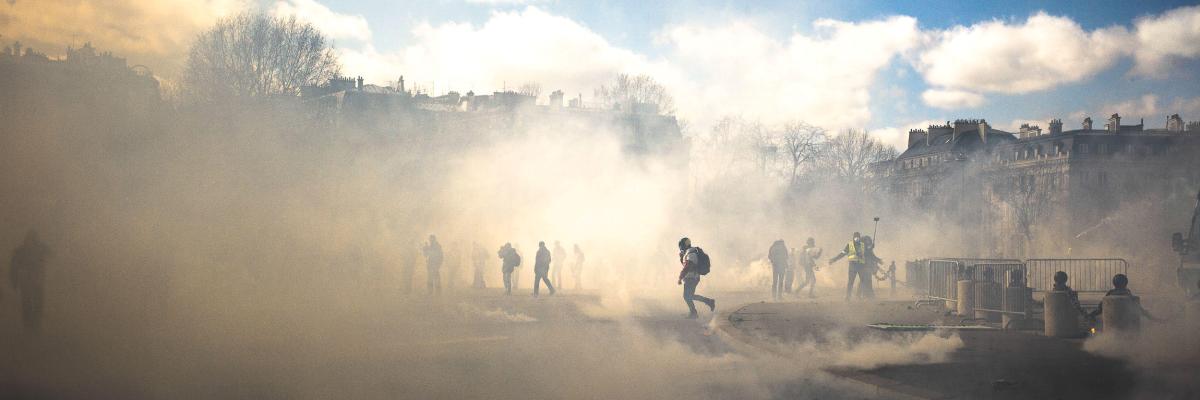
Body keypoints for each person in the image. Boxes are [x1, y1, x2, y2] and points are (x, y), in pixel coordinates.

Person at [10, 229, 50, 329]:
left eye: (34, 239)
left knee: (36, 303)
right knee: (28, 303)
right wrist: (14, 280)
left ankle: (34, 324)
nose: (32, 242)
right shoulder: (22, 251)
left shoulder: (24, 250)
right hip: (29, 281)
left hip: (36, 281)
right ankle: (30, 325)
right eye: (31, 239)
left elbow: (14, 267)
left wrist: (14, 281)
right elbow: (14, 267)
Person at [1088, 274, 1155, 321]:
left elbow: (1100, 309)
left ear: (1114, 283)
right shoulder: (1128, 294)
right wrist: (1151, 317)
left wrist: (1090, 315)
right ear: (1126, 283)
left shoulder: (1110, 294)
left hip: (1112, 327)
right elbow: (1138, 308)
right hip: (1128, 327)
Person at [677, 237, 715, 319]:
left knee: (687, 296)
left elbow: (687, 266)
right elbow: (686, 264)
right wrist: (681, 258)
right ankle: (708, 302)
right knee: (689, 296)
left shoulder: (691, 253)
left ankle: (694, 312)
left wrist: (680, 277)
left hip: (692, 278)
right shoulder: (690, 252)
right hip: (691, 277)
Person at [829, 232, 870, 301]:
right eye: (855, 237)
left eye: (858, 237)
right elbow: (842, 254)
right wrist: (834, 259)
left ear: (860, 238)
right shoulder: (849, 245)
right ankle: (848, 297)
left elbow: (867, 252)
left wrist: (871, 247)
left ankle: (859, 295)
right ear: (853, 237)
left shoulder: (863, 245)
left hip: (861, 266)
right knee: (851, 282)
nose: (857, 238)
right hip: (853, 266)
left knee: (863, 281)